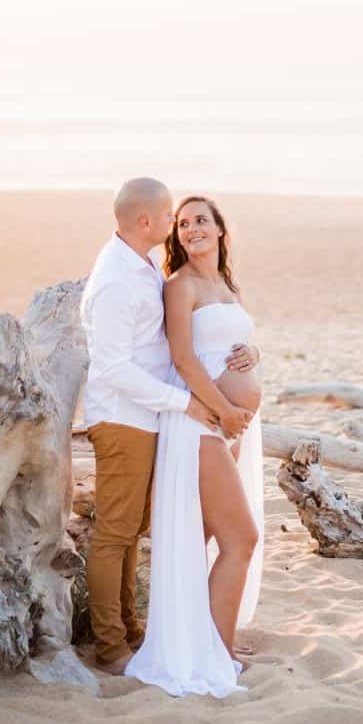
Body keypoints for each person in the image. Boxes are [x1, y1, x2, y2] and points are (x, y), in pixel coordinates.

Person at [77, 178, 255, 673]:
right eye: (172, 218)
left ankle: (134, 630)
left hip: (156, 416)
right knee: (115, 533)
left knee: (134, 529)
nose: (178, 226)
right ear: (147, 222)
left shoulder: (142, 266)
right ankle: (111, 646)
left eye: (196, 219)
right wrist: (191, 404)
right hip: (125, 417)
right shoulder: (117, 280)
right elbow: (114, 368)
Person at [124, 194, 266, 698]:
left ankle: (207, 641)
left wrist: (252, 352)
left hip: (229, 431)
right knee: (241, 540)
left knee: (202, 540)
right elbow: (184, 360)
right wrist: (225, 412)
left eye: (201, 221)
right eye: (182, 224)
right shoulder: (179, 287)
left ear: (221, 230)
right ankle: (216, 654)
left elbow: (228, 344)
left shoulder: (225, 285)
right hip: (201, 424)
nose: (191, 229)